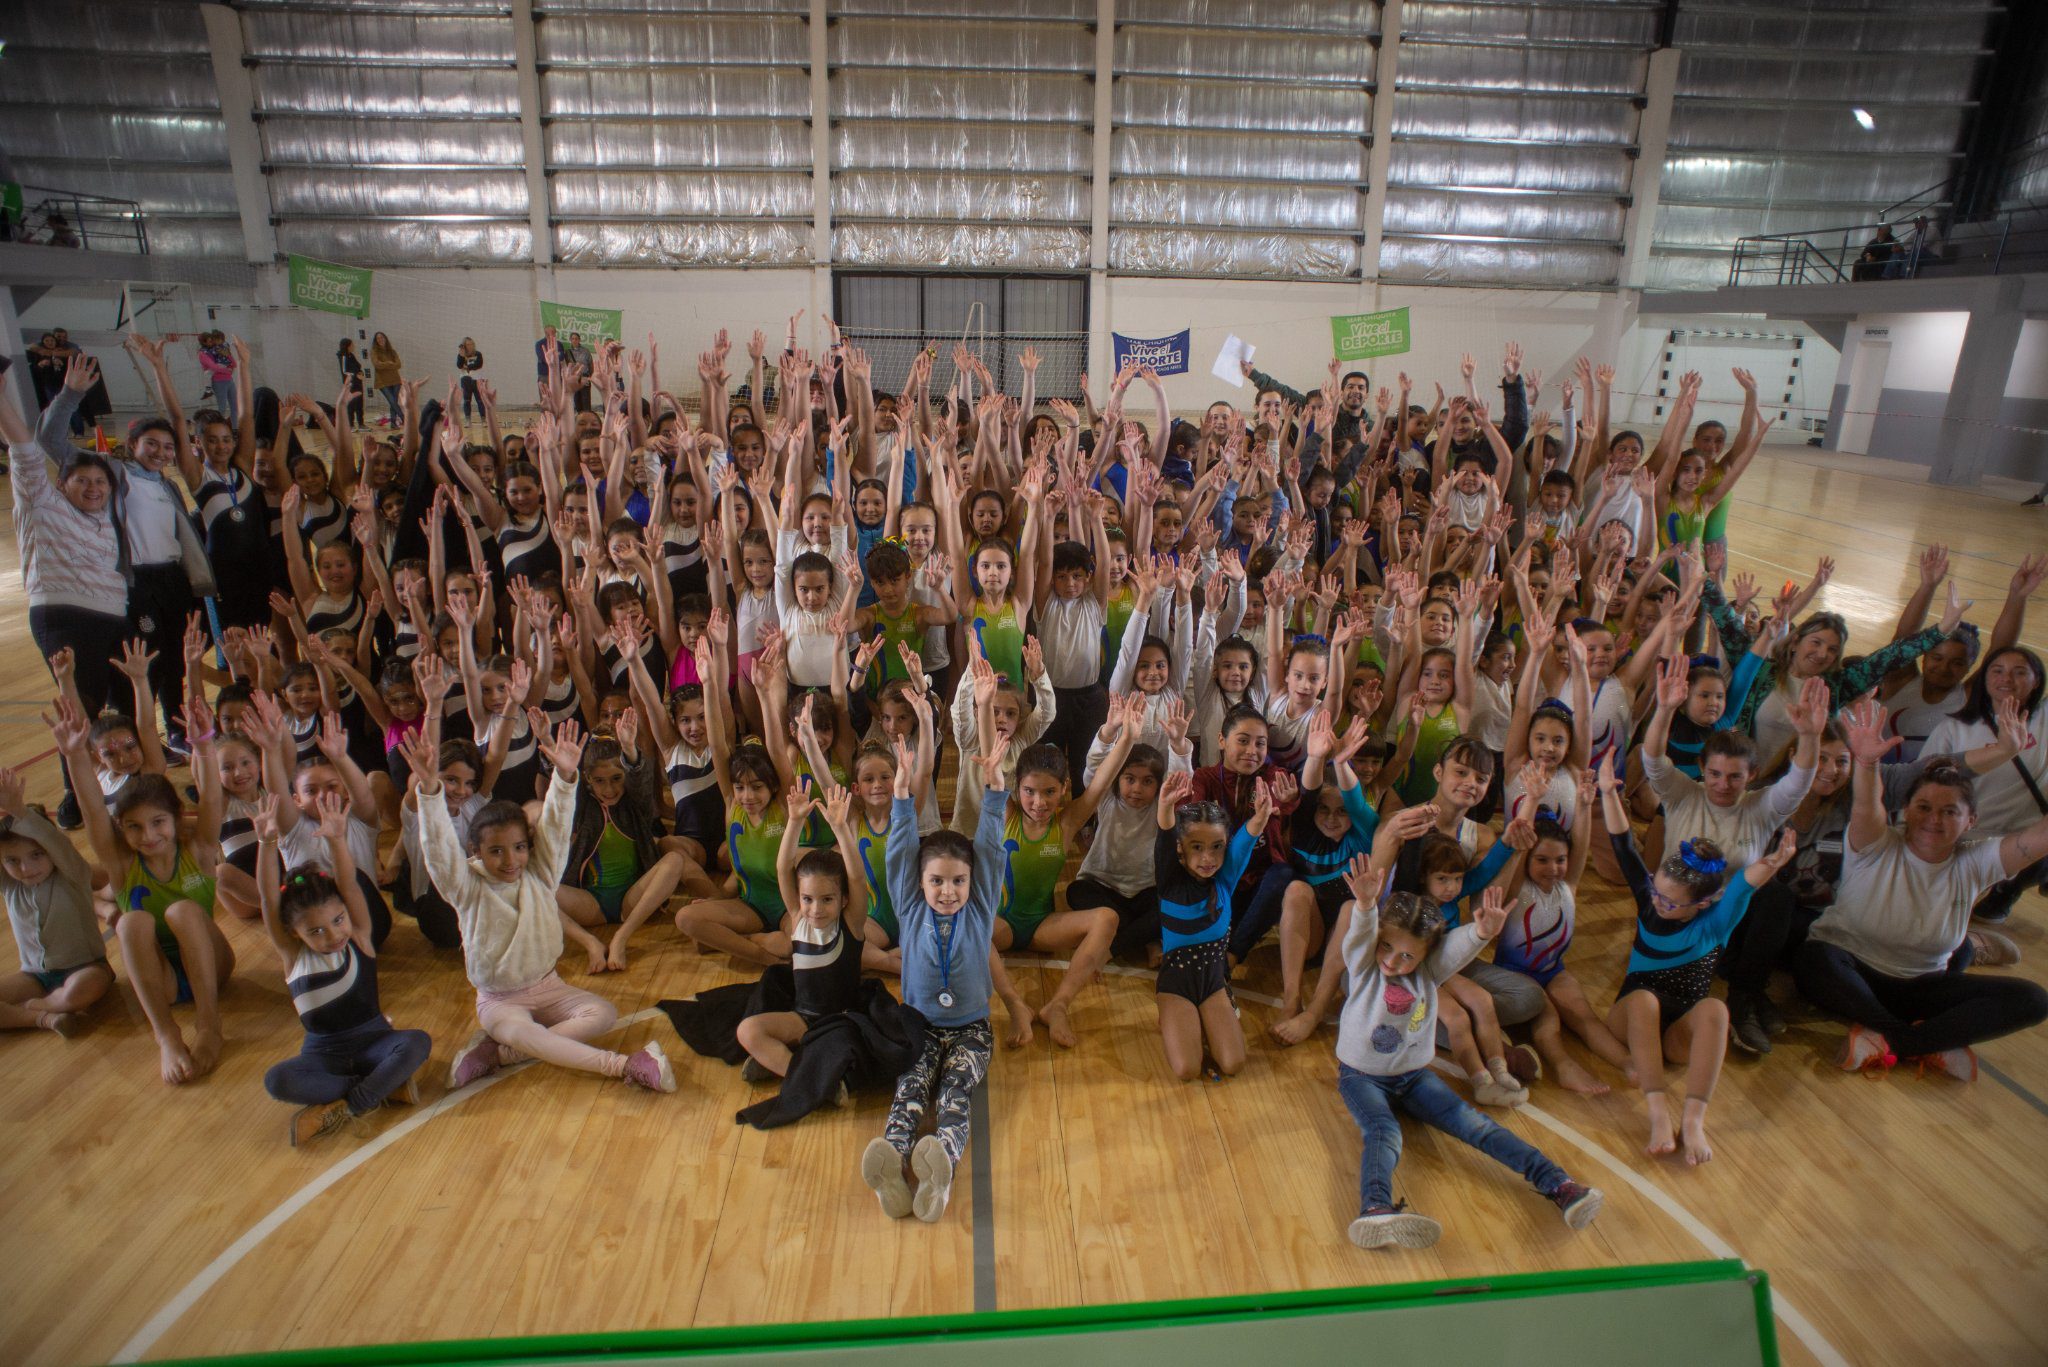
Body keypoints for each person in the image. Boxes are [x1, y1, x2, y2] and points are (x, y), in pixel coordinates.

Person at [1333, 816, 1603, 1251]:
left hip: (1414, 1076)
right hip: (1361, 1076)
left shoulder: (1430, 967)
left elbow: (1455, 947)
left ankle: (1559, 1184)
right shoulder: (1365, 965)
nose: (1393, 961)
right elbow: (1359, 940)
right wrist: (1365, 907)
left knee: (1476, 1126)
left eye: (1407, 955)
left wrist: (1483, 930)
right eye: (1388, 947)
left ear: (1424, 956)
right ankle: (1375, 1209)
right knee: (1384, 1132)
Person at [407, 706, 677, 1094]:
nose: (510, 859)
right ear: (476, 852)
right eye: (496, 851)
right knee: (521, 1030)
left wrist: (566, 777)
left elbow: (554, 827)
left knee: (602, 1013)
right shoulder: (464, 885)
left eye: (518, 847)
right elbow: (436, 849)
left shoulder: (540, 872)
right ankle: (622, 1066)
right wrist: (430, 792)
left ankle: (498, 1055)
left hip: (549, 987)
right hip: (500, 1001)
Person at [1800, 701, 2048, 1078]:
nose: (1934, 819)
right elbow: (1867, 803)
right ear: (1906, 809)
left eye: (1950, 811)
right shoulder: (1876, 841)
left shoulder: (1977, 860)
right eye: (1923, 807)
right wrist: (1865, 764)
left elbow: (2038, 838)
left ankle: (1890, 1040)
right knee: (1816, 960)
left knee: (2032, 999)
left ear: (1971, 821)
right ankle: (1923, 1040)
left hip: (1920, 986)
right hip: (1850, 969)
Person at [1598, 758, 1796, 1166]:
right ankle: (1656, 1114)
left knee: (1715, 1009)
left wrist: (1772, 863)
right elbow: (1622, 844)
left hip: (1677, 1037)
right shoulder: (1649, 899)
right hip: (1630, 1020)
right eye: (1657, 893)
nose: (1658, 903)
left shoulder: (1713, 925)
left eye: (1670, 903)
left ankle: (1692, 1120)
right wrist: (1606, 793)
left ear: (1703, 904)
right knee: (1644, 1000)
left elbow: (1741, 887)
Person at [52, 692, 236, 1085]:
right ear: (121, 829)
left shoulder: (199, 849)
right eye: (134, 827)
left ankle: (208, 1026)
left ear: (175, 820)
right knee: (130, 921)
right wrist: (74, 756)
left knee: (182, 911)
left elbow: (213, 800)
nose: (148, 835)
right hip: (162, 978)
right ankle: (166, 1034)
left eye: (158, 823)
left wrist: (203, 744)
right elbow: (92, 810)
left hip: (213, 967)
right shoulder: (121, 864)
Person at [860, 742, 1008, 1223]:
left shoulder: (981, 907)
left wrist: (996, 796)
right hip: (918, 1024)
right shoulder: (909, 905)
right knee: (910, 1088)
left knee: (954, 1094)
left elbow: (989, 848)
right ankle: (891, 1163)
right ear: (920, 884)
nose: (948, 892)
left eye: (958, 882)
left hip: (971, 1029)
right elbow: (900, 853)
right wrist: (901, 798)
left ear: (973, 883)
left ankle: (940, 1168)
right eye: (938, 882)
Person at [252, 793, 431, 1146]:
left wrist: (337, 840)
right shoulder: (293, 957)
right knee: (277, 1081)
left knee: (417, 1042)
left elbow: (348, 883)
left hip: (376, 1042)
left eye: (338, 920)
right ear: (294, 934)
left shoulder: (360, 938)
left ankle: (350, 1105)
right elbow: (267, 898)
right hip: (325, 1055)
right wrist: (266, 842)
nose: (333, 934)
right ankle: (379, 1088)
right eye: (316, 931)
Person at [0, 360, 130, 826]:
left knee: (111, 704)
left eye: (100, 482)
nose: (93, 488)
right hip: (64, 617)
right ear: (61, 483)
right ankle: (75, 795)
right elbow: (25, 448)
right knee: (79, 705)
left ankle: (118, 779)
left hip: (111, 619)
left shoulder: (106, 521)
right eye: (83, 481)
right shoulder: (41, 502)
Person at [0, 765, 113, 1034]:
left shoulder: (72, 875)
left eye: (36, 855)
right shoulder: (11, 887)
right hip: (34, 978)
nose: (26, 869)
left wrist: (20, 811)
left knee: (80, 991)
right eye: (12, 861)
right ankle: (45, 1019)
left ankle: (40, 1008)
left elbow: (58, 844)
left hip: (86, 969)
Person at [370, 332, 402, 428]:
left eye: (382, 337)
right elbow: (377, 365)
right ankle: (403, 417)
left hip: (395, 380)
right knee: (392, 401)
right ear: (376, 341)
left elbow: (399, 364)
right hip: (382, 381)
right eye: (378, 338)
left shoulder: (392, 351)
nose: (380, 339)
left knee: (394, 402)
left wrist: (385, 364)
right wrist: (390, 363)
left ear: (385, 338)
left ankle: (393, 423)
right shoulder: (374, 351)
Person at [455, 337, 485, 423]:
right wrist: (461, 356)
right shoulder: (461, 355)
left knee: (480, 400)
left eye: (471, 344)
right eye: (468, 344)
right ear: (464, 345)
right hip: (465, 380)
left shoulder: (478, 354)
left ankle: (483, 419)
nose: (470, 346)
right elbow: (459, 365)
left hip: (477, 380)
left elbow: (478, 364)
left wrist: (467, 367)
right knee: (467, 400)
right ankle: (468, 419)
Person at [337, 339, 366, 428]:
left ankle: (361, 424)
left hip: (358, 383)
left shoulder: (351, 355)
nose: (354, 346)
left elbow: (357, 367)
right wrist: (355, 375)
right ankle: (350, 424)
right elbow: (345, 371)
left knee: (359, 403)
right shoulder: (343, 356)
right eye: (352, 345)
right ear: (347, 346)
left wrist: (361, 373)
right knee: (352, 404)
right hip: (351, 384)